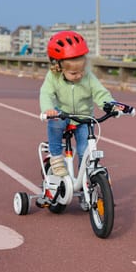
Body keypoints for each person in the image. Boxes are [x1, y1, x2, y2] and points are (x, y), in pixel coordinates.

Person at [39, 31, 118, 177]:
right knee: (55, 122)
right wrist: (48, 109)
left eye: (81, 71)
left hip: (84, 118)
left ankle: (86, 179)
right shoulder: (53, 77)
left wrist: (110, 104)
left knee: (85, 150)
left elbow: (99, 92)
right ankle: (56, 157)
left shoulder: (87, 76)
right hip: (62, 115)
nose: (79, 75)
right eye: (74, 73)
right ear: (59, 67)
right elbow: (46, 94)